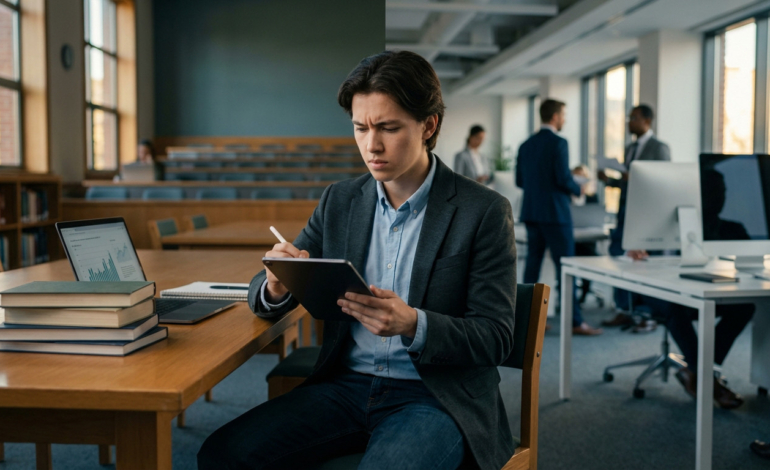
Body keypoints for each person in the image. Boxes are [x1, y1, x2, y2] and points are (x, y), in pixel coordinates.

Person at [197, 51, 518, 470]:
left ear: (429, 125)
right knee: (222, 455)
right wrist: (276, 284)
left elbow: (496, 336)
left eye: (388, 128)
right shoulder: (340, 201)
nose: (372, 145)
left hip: (435, 397)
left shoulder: (483, 210)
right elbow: (265, 289)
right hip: (344, 386)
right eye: (360, 128)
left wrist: (413, 324)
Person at [622, 250, 754, 408]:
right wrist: (628, 253)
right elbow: (614, 248)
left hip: (689, 278)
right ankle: (706, 377)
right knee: (674, 306)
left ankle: (695, 370)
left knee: (743, 307)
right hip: (645, 285)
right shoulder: (629, 226)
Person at [516, 99, 602, 335]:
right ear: (554, 117)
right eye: (563, 115)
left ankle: (528, 322)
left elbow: (519, 181)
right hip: (555, 214)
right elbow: (562, 178)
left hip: (532, 213)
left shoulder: (526, 145)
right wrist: (578, 189)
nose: (564, 119)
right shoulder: (559, 143)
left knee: (531, 269)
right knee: (567, 267)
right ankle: (574, 321)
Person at [599, 104, 670, 326]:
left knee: (644, 264)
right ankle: (625, 309)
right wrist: (609, 180)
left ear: (647, 121)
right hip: (625, 214)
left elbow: (663, 180)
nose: (629, 122)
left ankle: (647, 313)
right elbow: (626, 181)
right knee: (619, 258)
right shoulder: (630, 148)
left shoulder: (660, 148)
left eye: (634, 118)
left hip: (646, 216)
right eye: (629, 118)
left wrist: (634, 177)